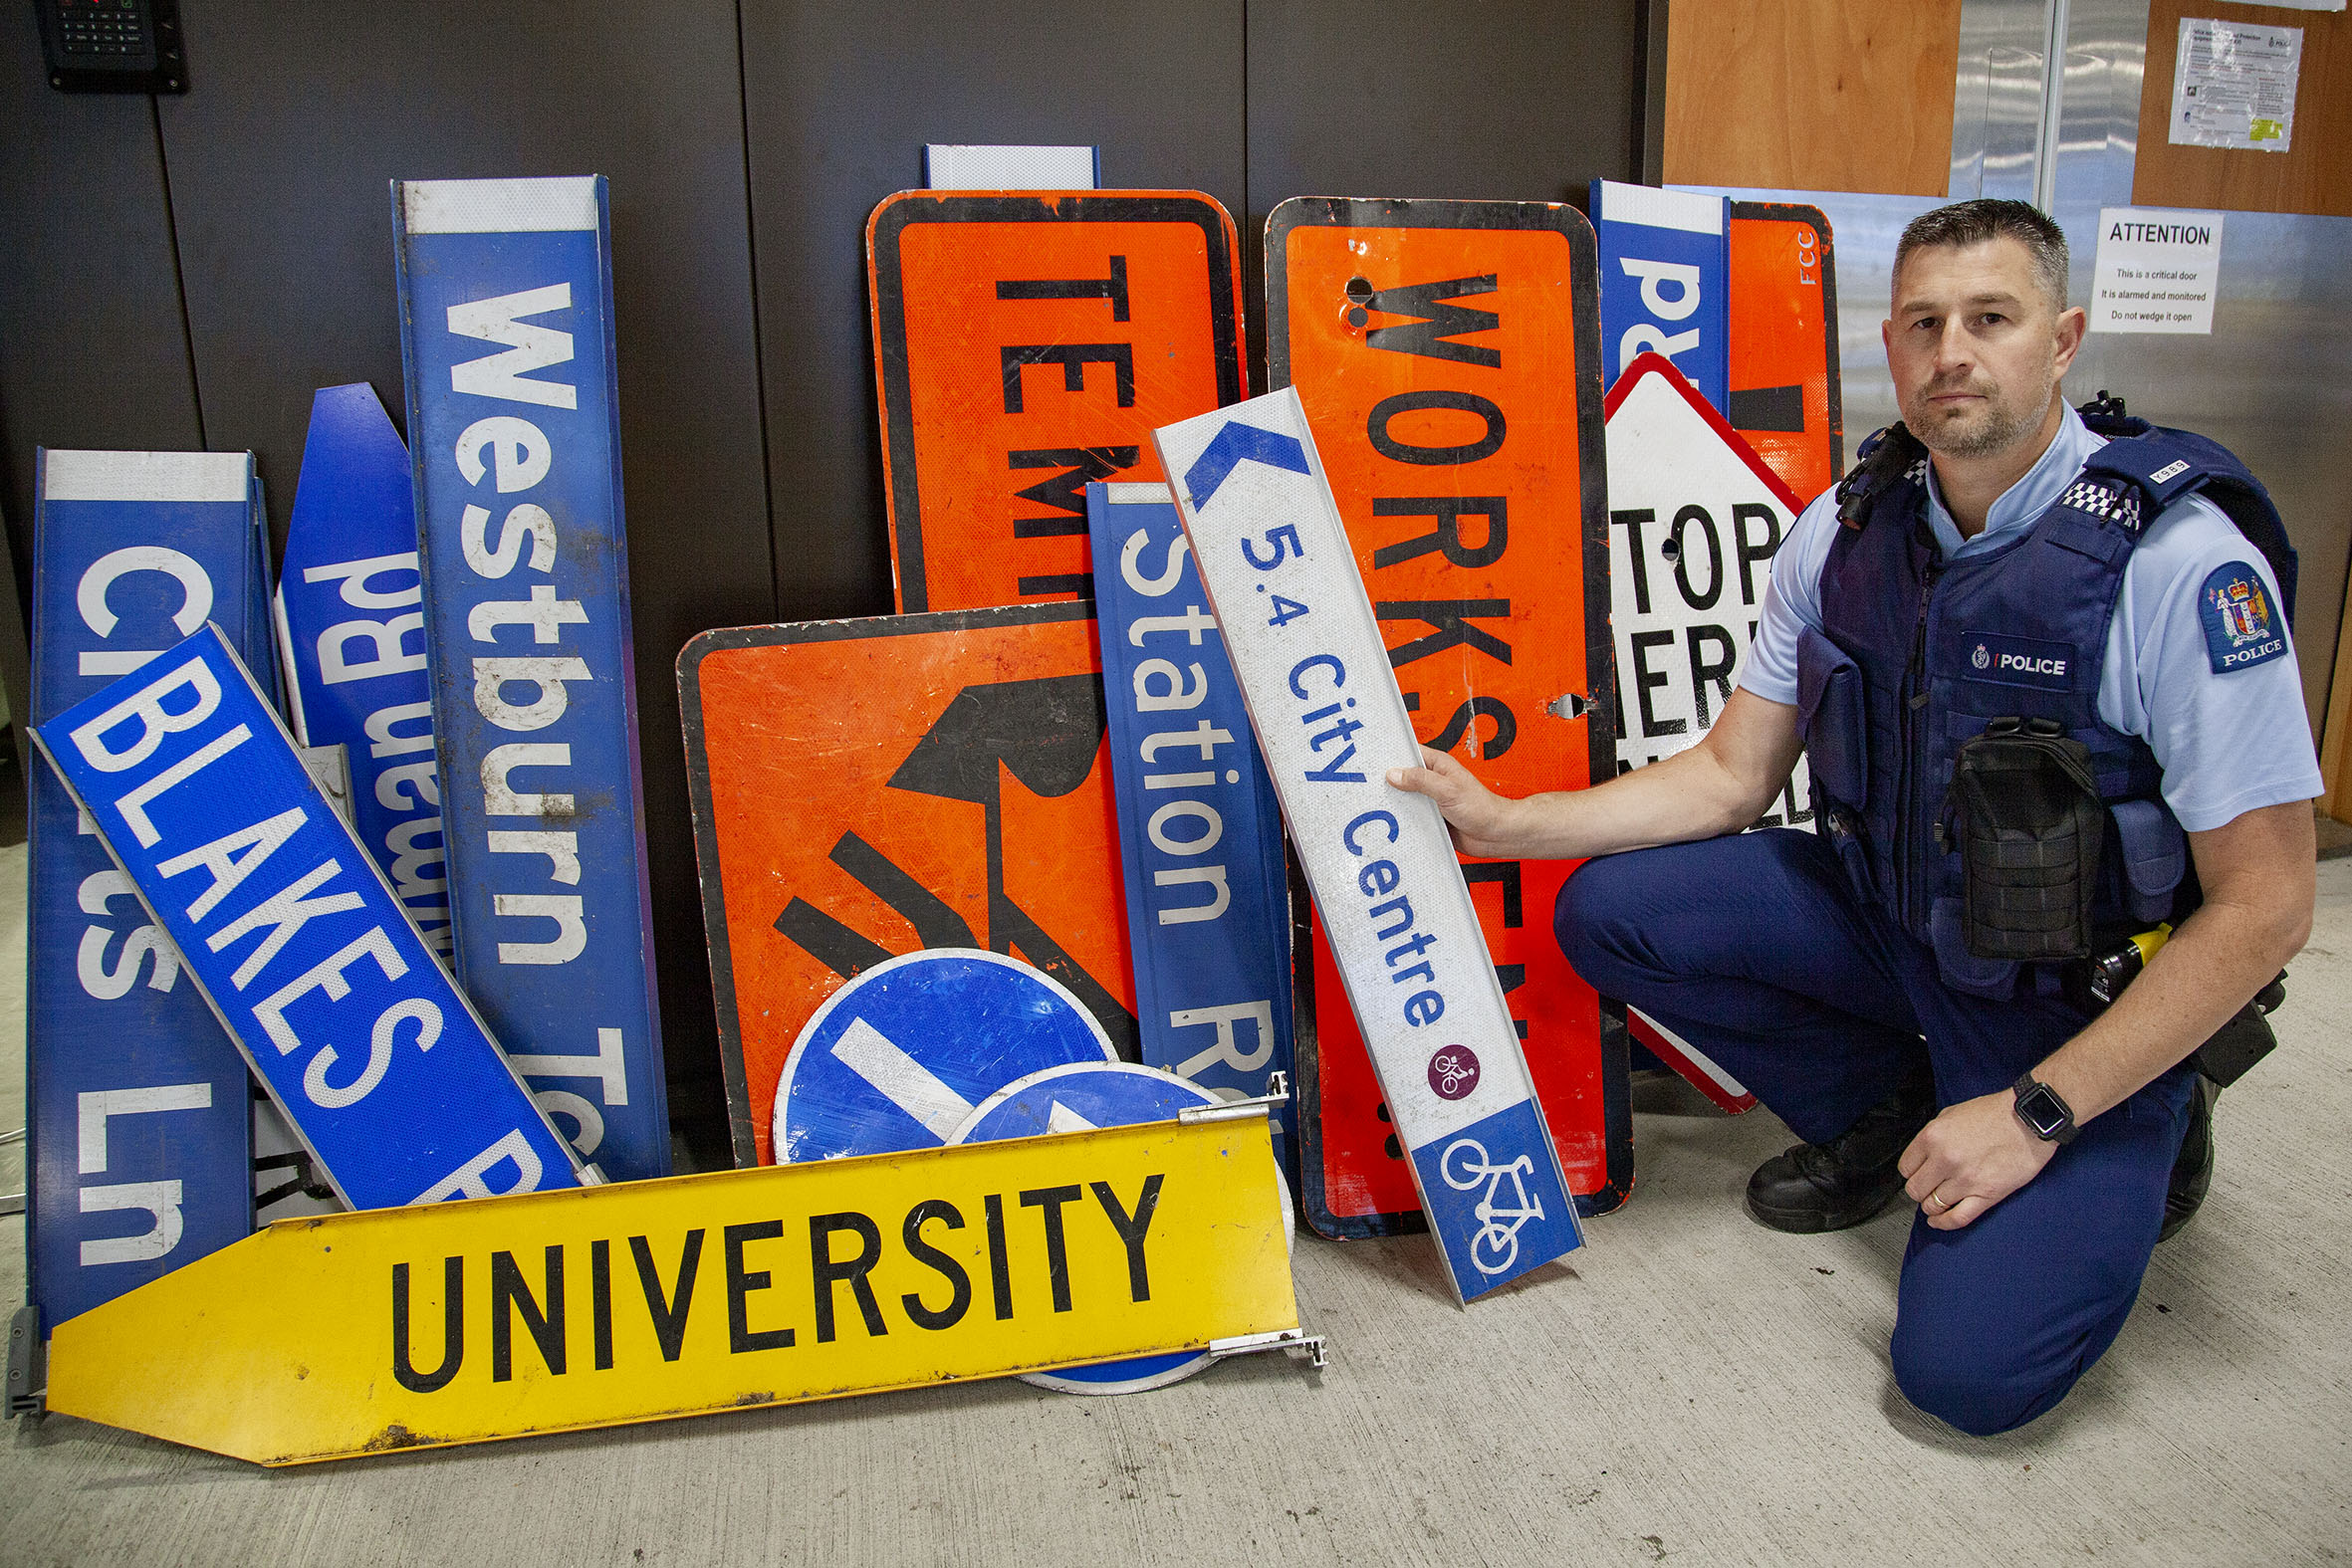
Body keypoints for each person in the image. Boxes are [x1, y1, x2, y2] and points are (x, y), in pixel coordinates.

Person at [1389, 198, 2319, 1436]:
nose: (1953, 352)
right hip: (1897, 925)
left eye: (1992, 318)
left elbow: (2267, 908)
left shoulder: (2177, 564)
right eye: (1924, 323)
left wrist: (2038, 1111)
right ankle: (1883, 1105)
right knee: (1612, 908)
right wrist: (1511, 824)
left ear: (2063, 340)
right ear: (1889, 347)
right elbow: (1729, 775)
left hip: (2071, 1000)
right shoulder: (1842, 532)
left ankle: (2153, 1099)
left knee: (1966, 1382)